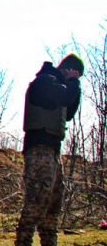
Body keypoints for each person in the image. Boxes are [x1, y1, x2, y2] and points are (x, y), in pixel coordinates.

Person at [15, 54, 82, 246]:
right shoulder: (45, 81)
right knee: (36, 202)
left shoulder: (58, 85)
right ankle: (23, 242)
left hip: (52, 151)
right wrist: (73, 82)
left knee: (53, 205)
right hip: (39, 150)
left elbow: (68, 111)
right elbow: (65, 96)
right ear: (67, 70)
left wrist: (74, 84)